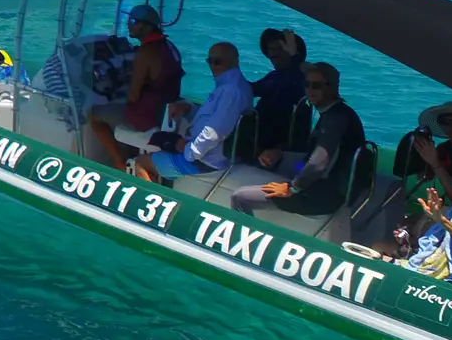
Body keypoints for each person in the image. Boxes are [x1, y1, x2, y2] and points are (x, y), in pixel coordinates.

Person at [231, 61, 366, 218]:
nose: (309, 90)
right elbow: (311, 160)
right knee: (275, 163)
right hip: (320, 181)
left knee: (240, 197)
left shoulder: (335, 120)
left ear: (332, 87)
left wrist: (292, 188)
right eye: (307, 84)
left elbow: (317, 165)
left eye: (317, 86)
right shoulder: (337, 112)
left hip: (321, 195)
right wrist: (281, 153)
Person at [135, 42, 253, 184]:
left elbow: (215, 132)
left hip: (205, 162)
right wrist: (187, 109)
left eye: (218, 62)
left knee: (141, 162)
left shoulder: (231, 91)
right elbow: (213, 117)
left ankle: (154, 200)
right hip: (206, 154)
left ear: (234, 60)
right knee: (159, 139)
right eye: (210, 61)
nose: (213, 66)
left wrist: (188, 151)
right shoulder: (233, 85)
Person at [87, 4, 183, 168]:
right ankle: (132, 155)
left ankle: (118, 161)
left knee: (93, 114)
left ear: (146, 26)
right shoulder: (170, 47)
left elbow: (133, 97)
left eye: (133, 20)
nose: (128, 24)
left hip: (147, 117)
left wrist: (121, 90)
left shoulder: (145, 54)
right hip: (166, 114)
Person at [245, 28, 308, 159]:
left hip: (277, 151)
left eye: (279, 48)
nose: (272, 54)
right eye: (270, 50)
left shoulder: (301, 79)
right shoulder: (275, 76)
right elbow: (251, 89)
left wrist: (294, 55)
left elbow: (300, 78)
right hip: (257, 142)